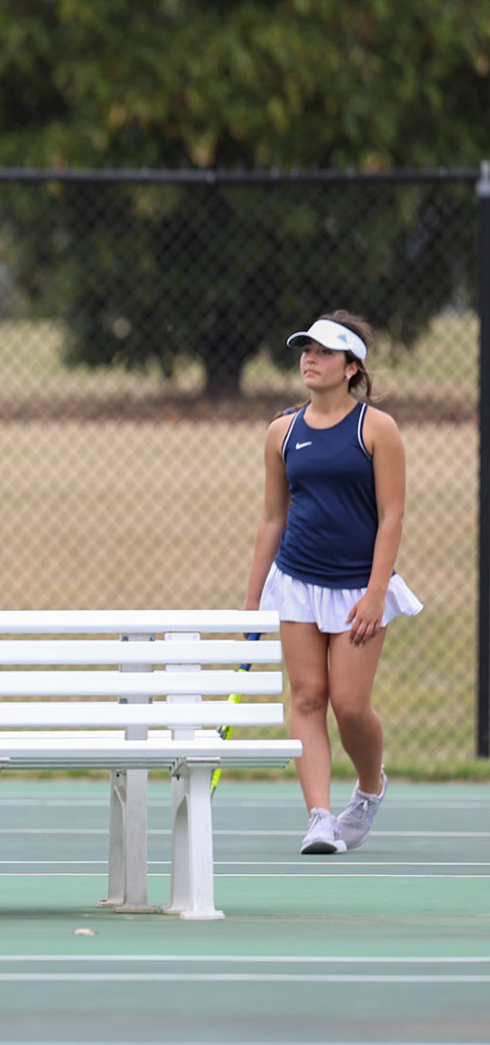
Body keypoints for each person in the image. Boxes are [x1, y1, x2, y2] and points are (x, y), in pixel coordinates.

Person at [243, 311, 421, 855]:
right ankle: (319, 818)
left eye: (323, 351)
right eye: (306, 350)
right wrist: (251, 604)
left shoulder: (377, 429)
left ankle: (369, 788)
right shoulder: (282, 431)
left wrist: (374, 593)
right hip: (296, 581)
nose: (309, 359)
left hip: (357, 590)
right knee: (308, 698)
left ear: (351, 367)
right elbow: (273, 518)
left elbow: (391, 516)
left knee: (348, 704)